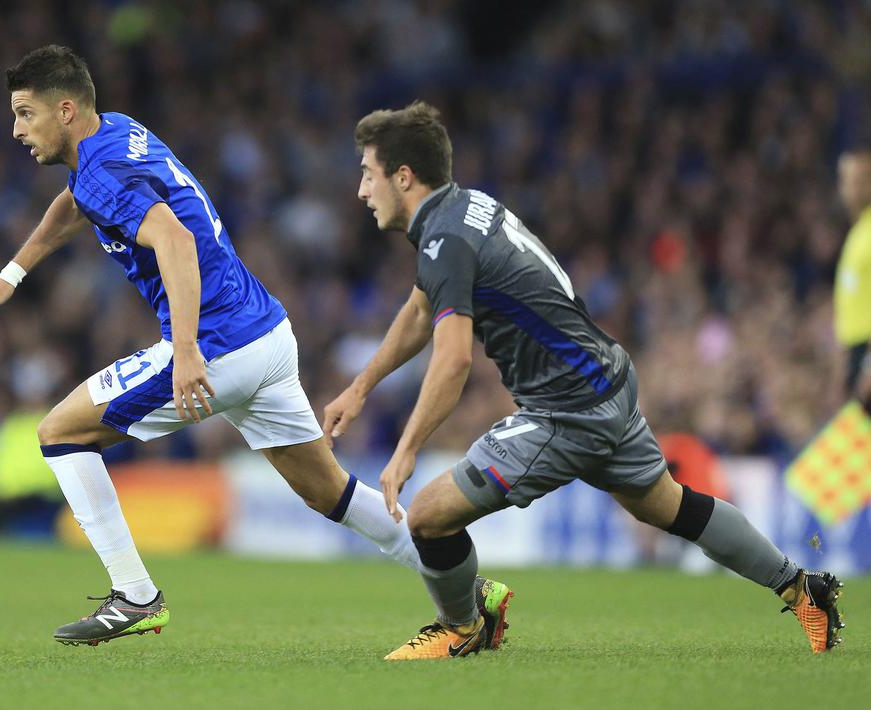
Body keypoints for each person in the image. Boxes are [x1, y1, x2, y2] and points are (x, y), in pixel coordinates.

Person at [0, 46, 511, 648]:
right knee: (331, 492)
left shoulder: (100, 170)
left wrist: (188, 350)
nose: (16, 130)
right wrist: (12, 274)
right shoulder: (112, 134)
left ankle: (135, 597)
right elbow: (76, 204)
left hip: (218, 345)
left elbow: (174, 241)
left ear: (64, 111)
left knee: (59, 432)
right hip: (267, 334)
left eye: (24, 114)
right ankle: (473, 590)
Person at [323, 101, 845, 659]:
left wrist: (406, 450)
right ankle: (801, 586)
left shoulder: (444, 240)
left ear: (403, 177)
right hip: (605, 381)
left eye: (367, 174)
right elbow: (420, 312)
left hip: (564, 410)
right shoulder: (462, 209)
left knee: (427, 517)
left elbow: (453, 363)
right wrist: (361, 387)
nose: (361, 191)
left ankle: (465, 623)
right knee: (666, 505)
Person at [835, 148, 871, 410]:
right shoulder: (858, 233)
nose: (846, 189)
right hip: (856, 350)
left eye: (855, 181)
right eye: (844, 180)